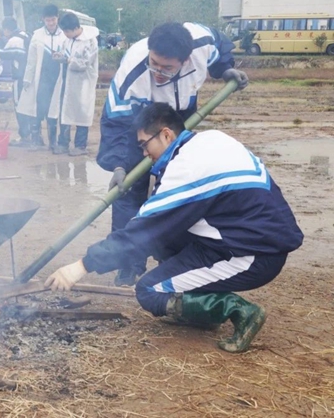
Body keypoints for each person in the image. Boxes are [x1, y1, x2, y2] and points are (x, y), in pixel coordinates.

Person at [46, 103, 303, 353]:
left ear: (166, 134)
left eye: (145, 145)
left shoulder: (187, 168)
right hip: (247, 236)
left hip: (253, 254)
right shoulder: (211, 139)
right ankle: (202, 312)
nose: (145, 154)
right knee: (167, 243)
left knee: (149, 290)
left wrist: (81, 266)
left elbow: (143, 232)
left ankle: (238, 311)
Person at [98, 21, 249, 286]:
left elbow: (221, 49)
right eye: (154, 63)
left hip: (183, 114)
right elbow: (116, 121)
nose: (158, 71)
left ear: (186, 59)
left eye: (166, 67)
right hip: (140, 120)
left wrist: (225, 70)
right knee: (130, 191)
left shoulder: (203, 42)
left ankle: (173, 256)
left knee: (178, 186)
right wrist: (120, 165)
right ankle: (128, 264)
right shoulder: (132, 73)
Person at [16, 4, 65, 149]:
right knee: (37, 108)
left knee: (53, 109)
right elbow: (31, 60)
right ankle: (36, 140)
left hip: (56, 78)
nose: (51, 23)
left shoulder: (63, 36)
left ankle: (53, 142)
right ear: (43, 19)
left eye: (53, 20)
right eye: (48, 20)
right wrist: (27, 78)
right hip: (41, 78)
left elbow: (68, 55)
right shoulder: (37, 35)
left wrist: (61, 56)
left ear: (57, 18)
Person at [51, 12, 99, 155]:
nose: (64, 34)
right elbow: (66, 54)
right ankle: (63, 143)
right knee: (65, 111)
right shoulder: (68, 40)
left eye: (66, 31)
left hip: (83, 83)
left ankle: (80, 145)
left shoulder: (90, 41)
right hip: (67, 81)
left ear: (73, 29)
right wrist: (59, 56)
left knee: (81, 112)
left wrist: (67, 60)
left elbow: (85, 63)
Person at [0, 17, 30, 146]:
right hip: (28, 77)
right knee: (28, 105)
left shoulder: (14, 40)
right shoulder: (25, 35)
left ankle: (24, 136)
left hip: (19, 78)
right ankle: (32, 135)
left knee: (19, 105)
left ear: (6, 29)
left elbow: (3, 54)